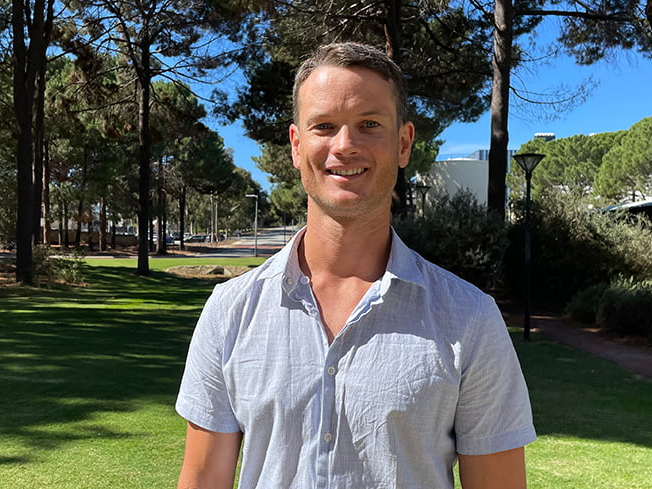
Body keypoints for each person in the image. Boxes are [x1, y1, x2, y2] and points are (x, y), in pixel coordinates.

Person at [175, 42, 536, 489]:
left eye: (369, 124)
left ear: (404, 143)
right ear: (296, 145)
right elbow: (203, 478)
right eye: (324, 126)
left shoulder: (470, 320)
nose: (345, 146)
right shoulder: (230, 311)